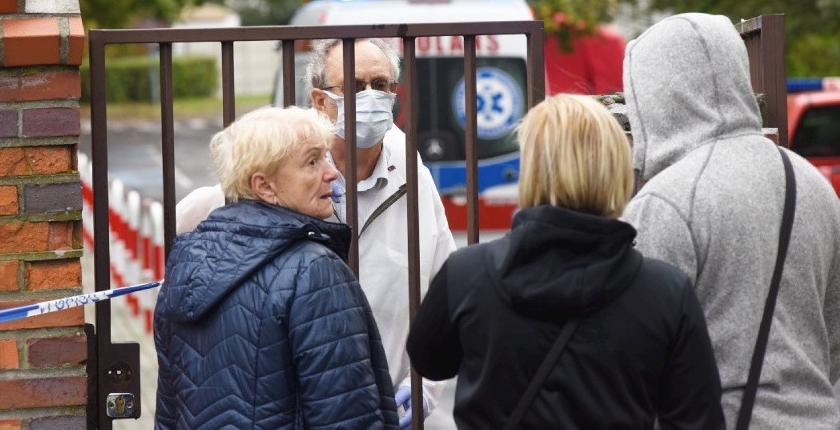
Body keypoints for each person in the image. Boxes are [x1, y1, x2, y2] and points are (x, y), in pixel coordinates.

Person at [174, 38, 456, 428]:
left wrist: (426, 384)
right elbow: (206, 225)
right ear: (321, 100)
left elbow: (443, 289)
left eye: (382, 85)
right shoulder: (287, 163)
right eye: (356, 86)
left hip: (391, 406)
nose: (372, 97)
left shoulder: (409, 166)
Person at [407, 94, 725, 429]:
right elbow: (697, 419)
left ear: (532, 171)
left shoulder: (467, 274)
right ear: (617, 170)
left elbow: (430, 360)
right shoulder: (666, 292)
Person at [620, 12, 840, 428]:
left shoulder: (664, 202)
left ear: (653, 94)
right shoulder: (810, 182)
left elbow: (639, 356)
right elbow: (834, 333)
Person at [154, 106, 398, 428]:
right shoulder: (314, 271)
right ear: (264, 186)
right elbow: (347, 416)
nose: (332, 173)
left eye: (326, 157)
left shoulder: (187, 263)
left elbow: (169, 414)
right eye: (312, 161)